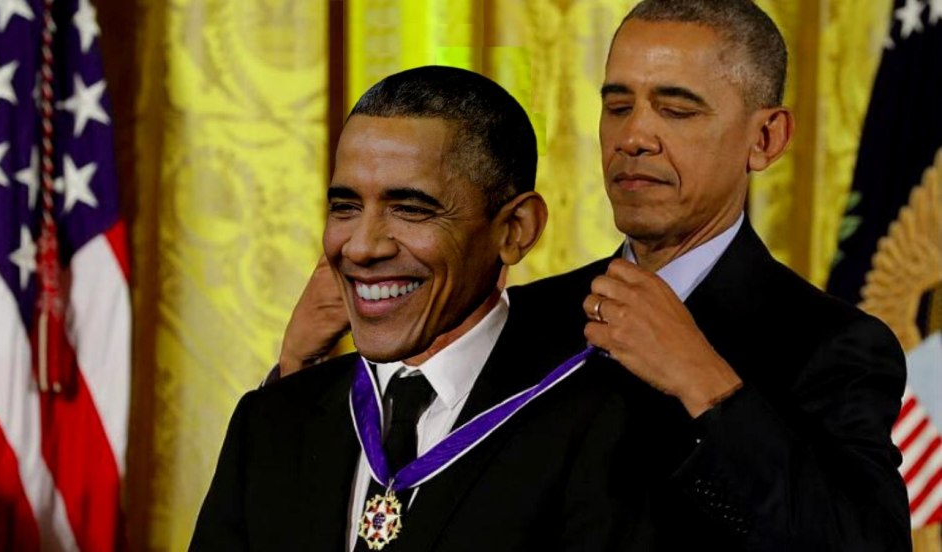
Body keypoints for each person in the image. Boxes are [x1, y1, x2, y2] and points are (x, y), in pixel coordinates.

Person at [275, 1, 912, 550]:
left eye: (676, 110)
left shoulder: (833, 345)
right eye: (618, 106)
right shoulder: (519, 318)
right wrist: (293, 379)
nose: (634, 138)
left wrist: (703, 381)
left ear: (765, 139)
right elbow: (406, 503)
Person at [192, 66, 639, 551]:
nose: (361, 247)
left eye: (410, 209)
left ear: (515, 230)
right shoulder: (272, 420)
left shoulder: (605, 424)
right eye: (345, 207)